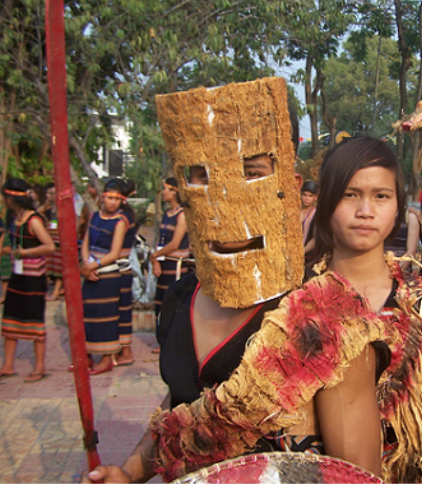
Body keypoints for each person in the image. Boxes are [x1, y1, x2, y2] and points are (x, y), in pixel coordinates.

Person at [146, 138, 422, 482]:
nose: (365, 211)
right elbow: (193, 395)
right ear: (324, 204)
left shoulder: (420, 303)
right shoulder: (294, 297)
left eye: (381, 196)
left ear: (398, 207)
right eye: (349, 195)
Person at [82, 77, 307, 483]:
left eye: (251, 172)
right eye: (199, 176)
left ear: (289, 186)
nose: (223, 197)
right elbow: (183, 408)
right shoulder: (181, 297)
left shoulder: (315, 314)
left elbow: (349, 467)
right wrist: (130, 472)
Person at [0, 179, 56, 382]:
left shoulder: (33, 220)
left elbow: (49, 246)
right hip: (18, 274)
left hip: (34, 276)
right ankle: (8, 364)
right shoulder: (14, 217)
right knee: (10, 317)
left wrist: (25, 252)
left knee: (35, 319)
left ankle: (39, 366)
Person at [80, 178, 129, 375]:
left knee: (106, 316)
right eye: (109, 198)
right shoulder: (93, 217)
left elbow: (114, 252)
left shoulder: (120, 222)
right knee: (88, 315)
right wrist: (85, 264)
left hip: (107, 274)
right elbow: (85, 242)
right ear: (102, 198)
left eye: (116, 199)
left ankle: (107, 357)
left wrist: (92, 266)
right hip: (89, 270)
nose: (112, 203)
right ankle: (88, 354)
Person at [149, 177, 190, 341]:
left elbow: (174, 244)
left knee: (172, 302)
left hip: (176, 265)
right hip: (164, 262)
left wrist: (154, 256)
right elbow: (162, 241)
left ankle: (171, 340)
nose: (163, 192)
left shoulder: (183, 215)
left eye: (166, 189)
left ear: (175, 192)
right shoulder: (167, 214)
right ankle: (162, 338)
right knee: (160, 301)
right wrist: (156, 260)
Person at [115, 179, 139, 366]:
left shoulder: (122, 219)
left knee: (121, 310)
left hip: (119, 267)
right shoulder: (122, 216)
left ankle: (126, 350)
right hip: (118, 266)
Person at [38, 182, 64, 301]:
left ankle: (56, 291)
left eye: (52, 194)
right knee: (50, 265)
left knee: (59, 267)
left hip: (61, 239)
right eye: (48, 193)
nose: (49, 196)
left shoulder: (63, 206)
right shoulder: (48, 206)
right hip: (50, 238)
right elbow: (38, 212)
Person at [300, 180, 317, 261]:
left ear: (315, 197)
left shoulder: (316, 214)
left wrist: (302, 252)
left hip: (307, 257)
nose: (306, 198)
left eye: (310, 196)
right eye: (304, 195)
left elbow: (315, 238)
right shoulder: (295, 211)